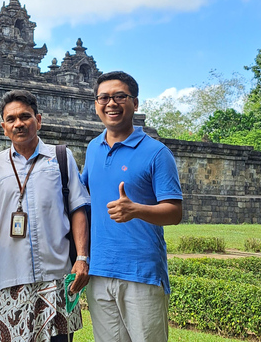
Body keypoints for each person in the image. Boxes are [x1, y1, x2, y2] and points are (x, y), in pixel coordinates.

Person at [0, 89, 90, 342]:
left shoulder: (61, 157)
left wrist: (81, 258)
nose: (19, 124)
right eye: (11, 119)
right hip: (10, 274)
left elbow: (78, 208)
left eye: (25, 116)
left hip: (56, 273)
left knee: (59, 339)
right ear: (3, 127)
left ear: (38, 120)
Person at [80, 71, 183, 342]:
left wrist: (136, 209)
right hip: (99, 270)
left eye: (119, 97)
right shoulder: (93, 148)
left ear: (135, 104)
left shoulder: (157, 152)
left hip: (141, 272)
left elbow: (174, 212)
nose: (111, 103)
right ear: (96, 105)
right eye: (103, 98)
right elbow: (80, 199)